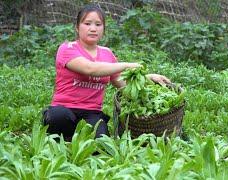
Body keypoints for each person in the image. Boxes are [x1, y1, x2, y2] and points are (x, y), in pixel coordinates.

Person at [42, 4, 170, 141]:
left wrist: (147, 77)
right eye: (87, 23)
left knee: (101, 143)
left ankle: (75, 138)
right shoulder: (67, 48)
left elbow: (122, 83)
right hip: (65, 109)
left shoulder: (107, 53)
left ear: (103, 29)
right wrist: (128, 65)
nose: (93, 29)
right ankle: (65, 139)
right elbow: (91, 69)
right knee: (58, 116)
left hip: (92, 113)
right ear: (77, 27)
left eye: (98, 24)